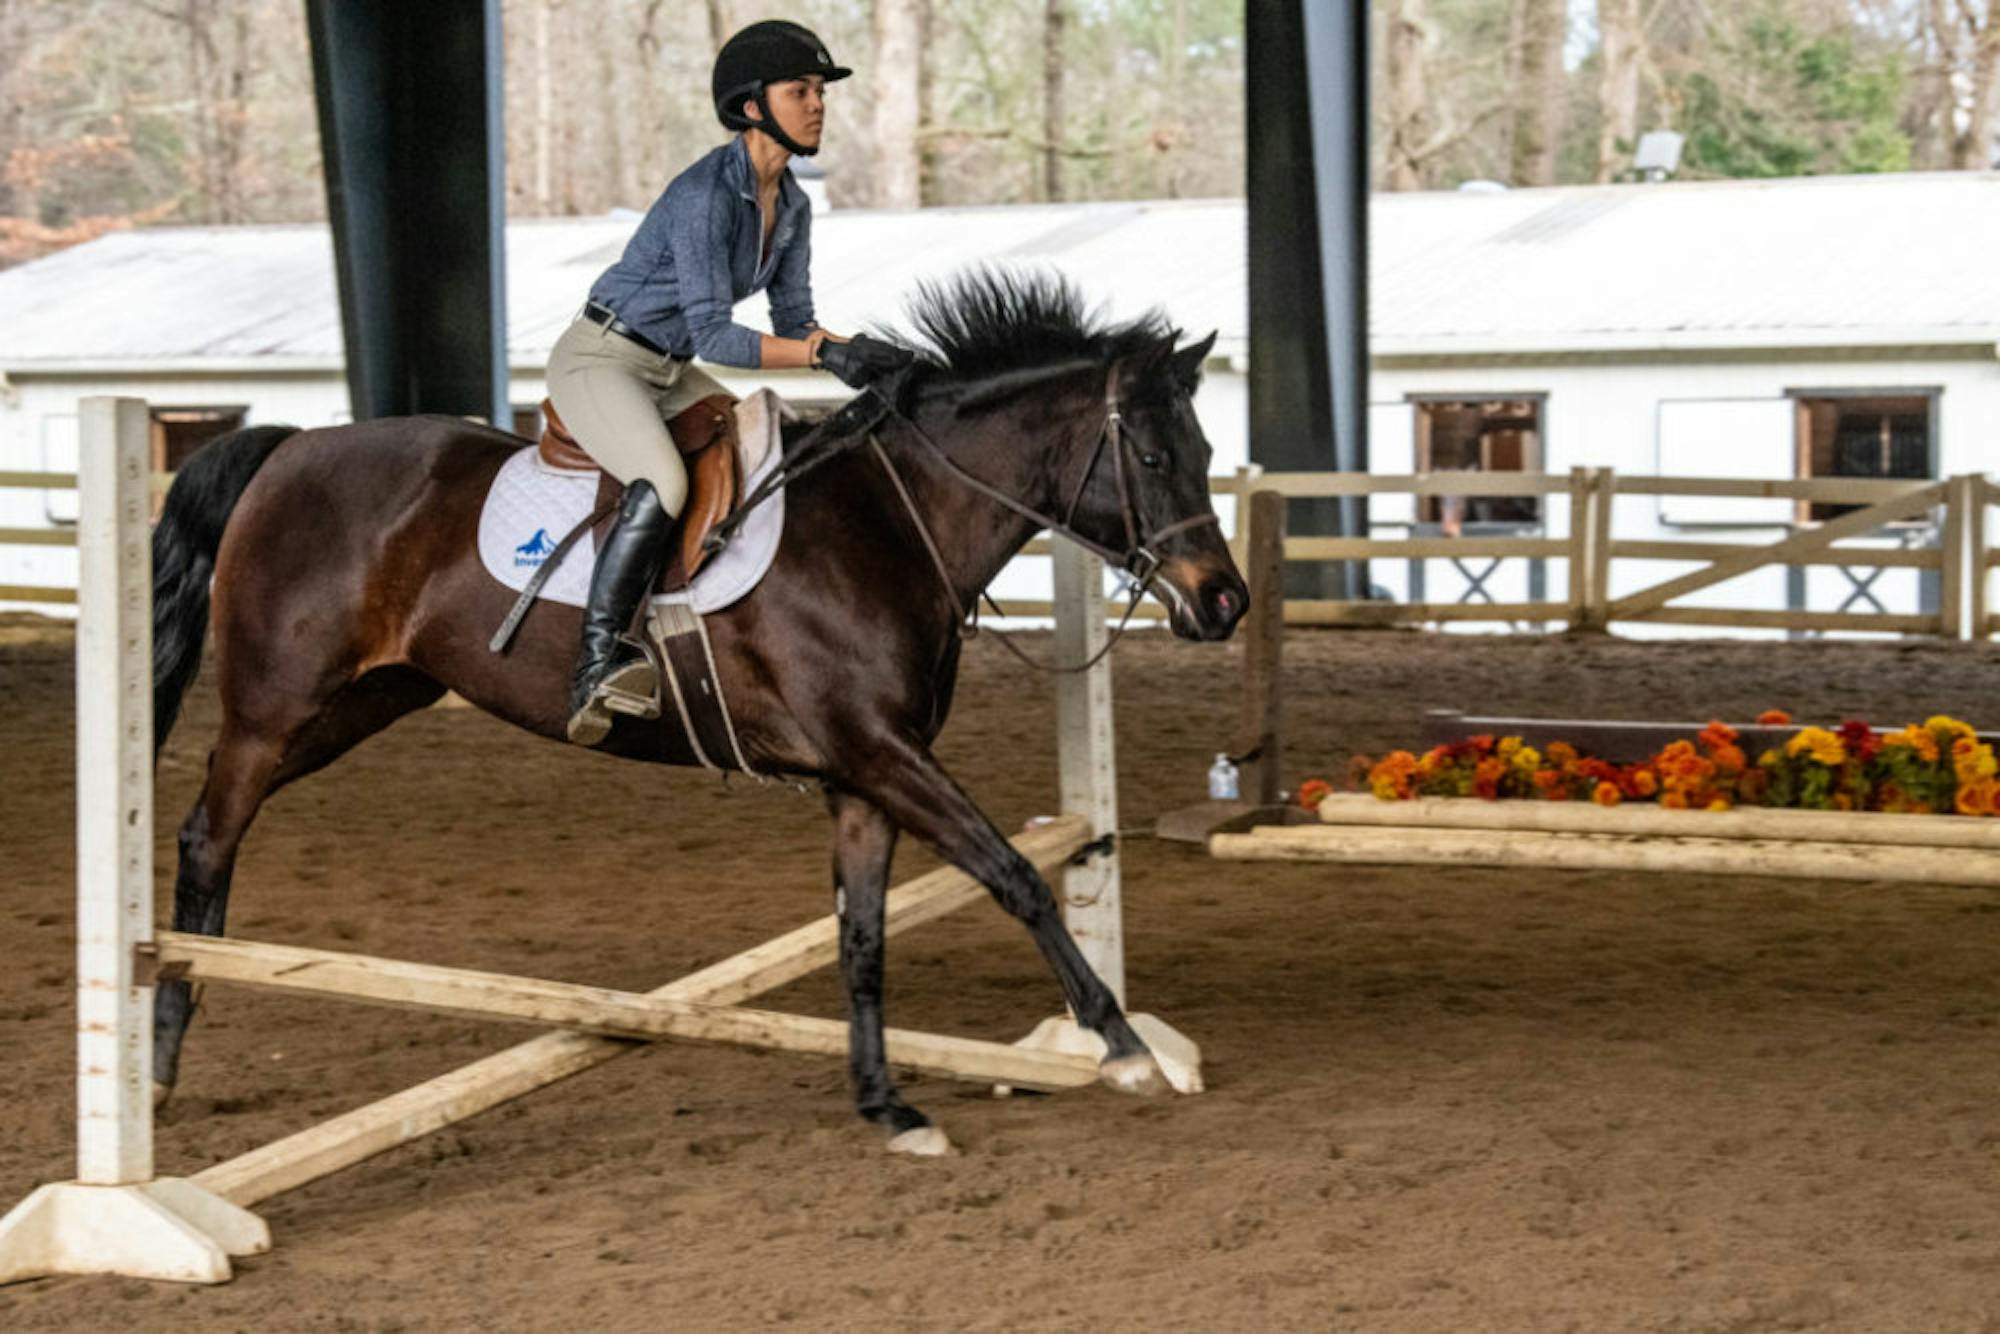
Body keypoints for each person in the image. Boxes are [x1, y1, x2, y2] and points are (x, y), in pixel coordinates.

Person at [547, 18, 911, 746]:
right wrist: (820, 357)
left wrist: (870, 358)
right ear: (752, 106)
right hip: (602, 359)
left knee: (751, 447)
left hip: (669, 368)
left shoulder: (794, 206)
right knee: (664, 482)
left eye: (819, 92)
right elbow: (719, 334)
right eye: (800, 90)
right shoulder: (705, 196)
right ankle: (596, 663)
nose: (818, 104)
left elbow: (797, 321)